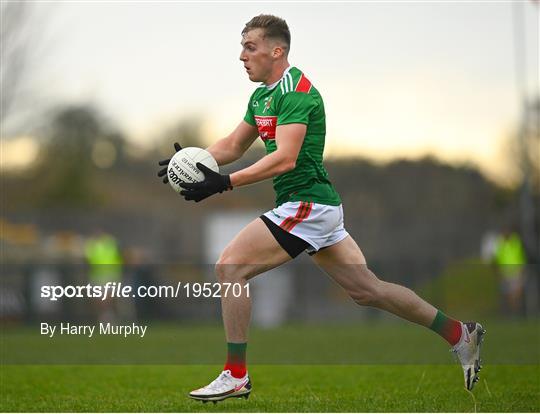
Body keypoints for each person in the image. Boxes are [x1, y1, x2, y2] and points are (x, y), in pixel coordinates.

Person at [157, 14, 485, 403]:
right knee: (368, 290)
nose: (242, 56)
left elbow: (285, 159)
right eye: (242, 47)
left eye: (250, 47)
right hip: (316, 208)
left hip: (307, 206)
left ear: (277, 51)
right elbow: (232, 145)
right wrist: (196, 163)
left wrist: (223, 183)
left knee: (230, 266)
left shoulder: (297, 92)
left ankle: (236, 374)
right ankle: (460, 335)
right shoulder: (262, 95)